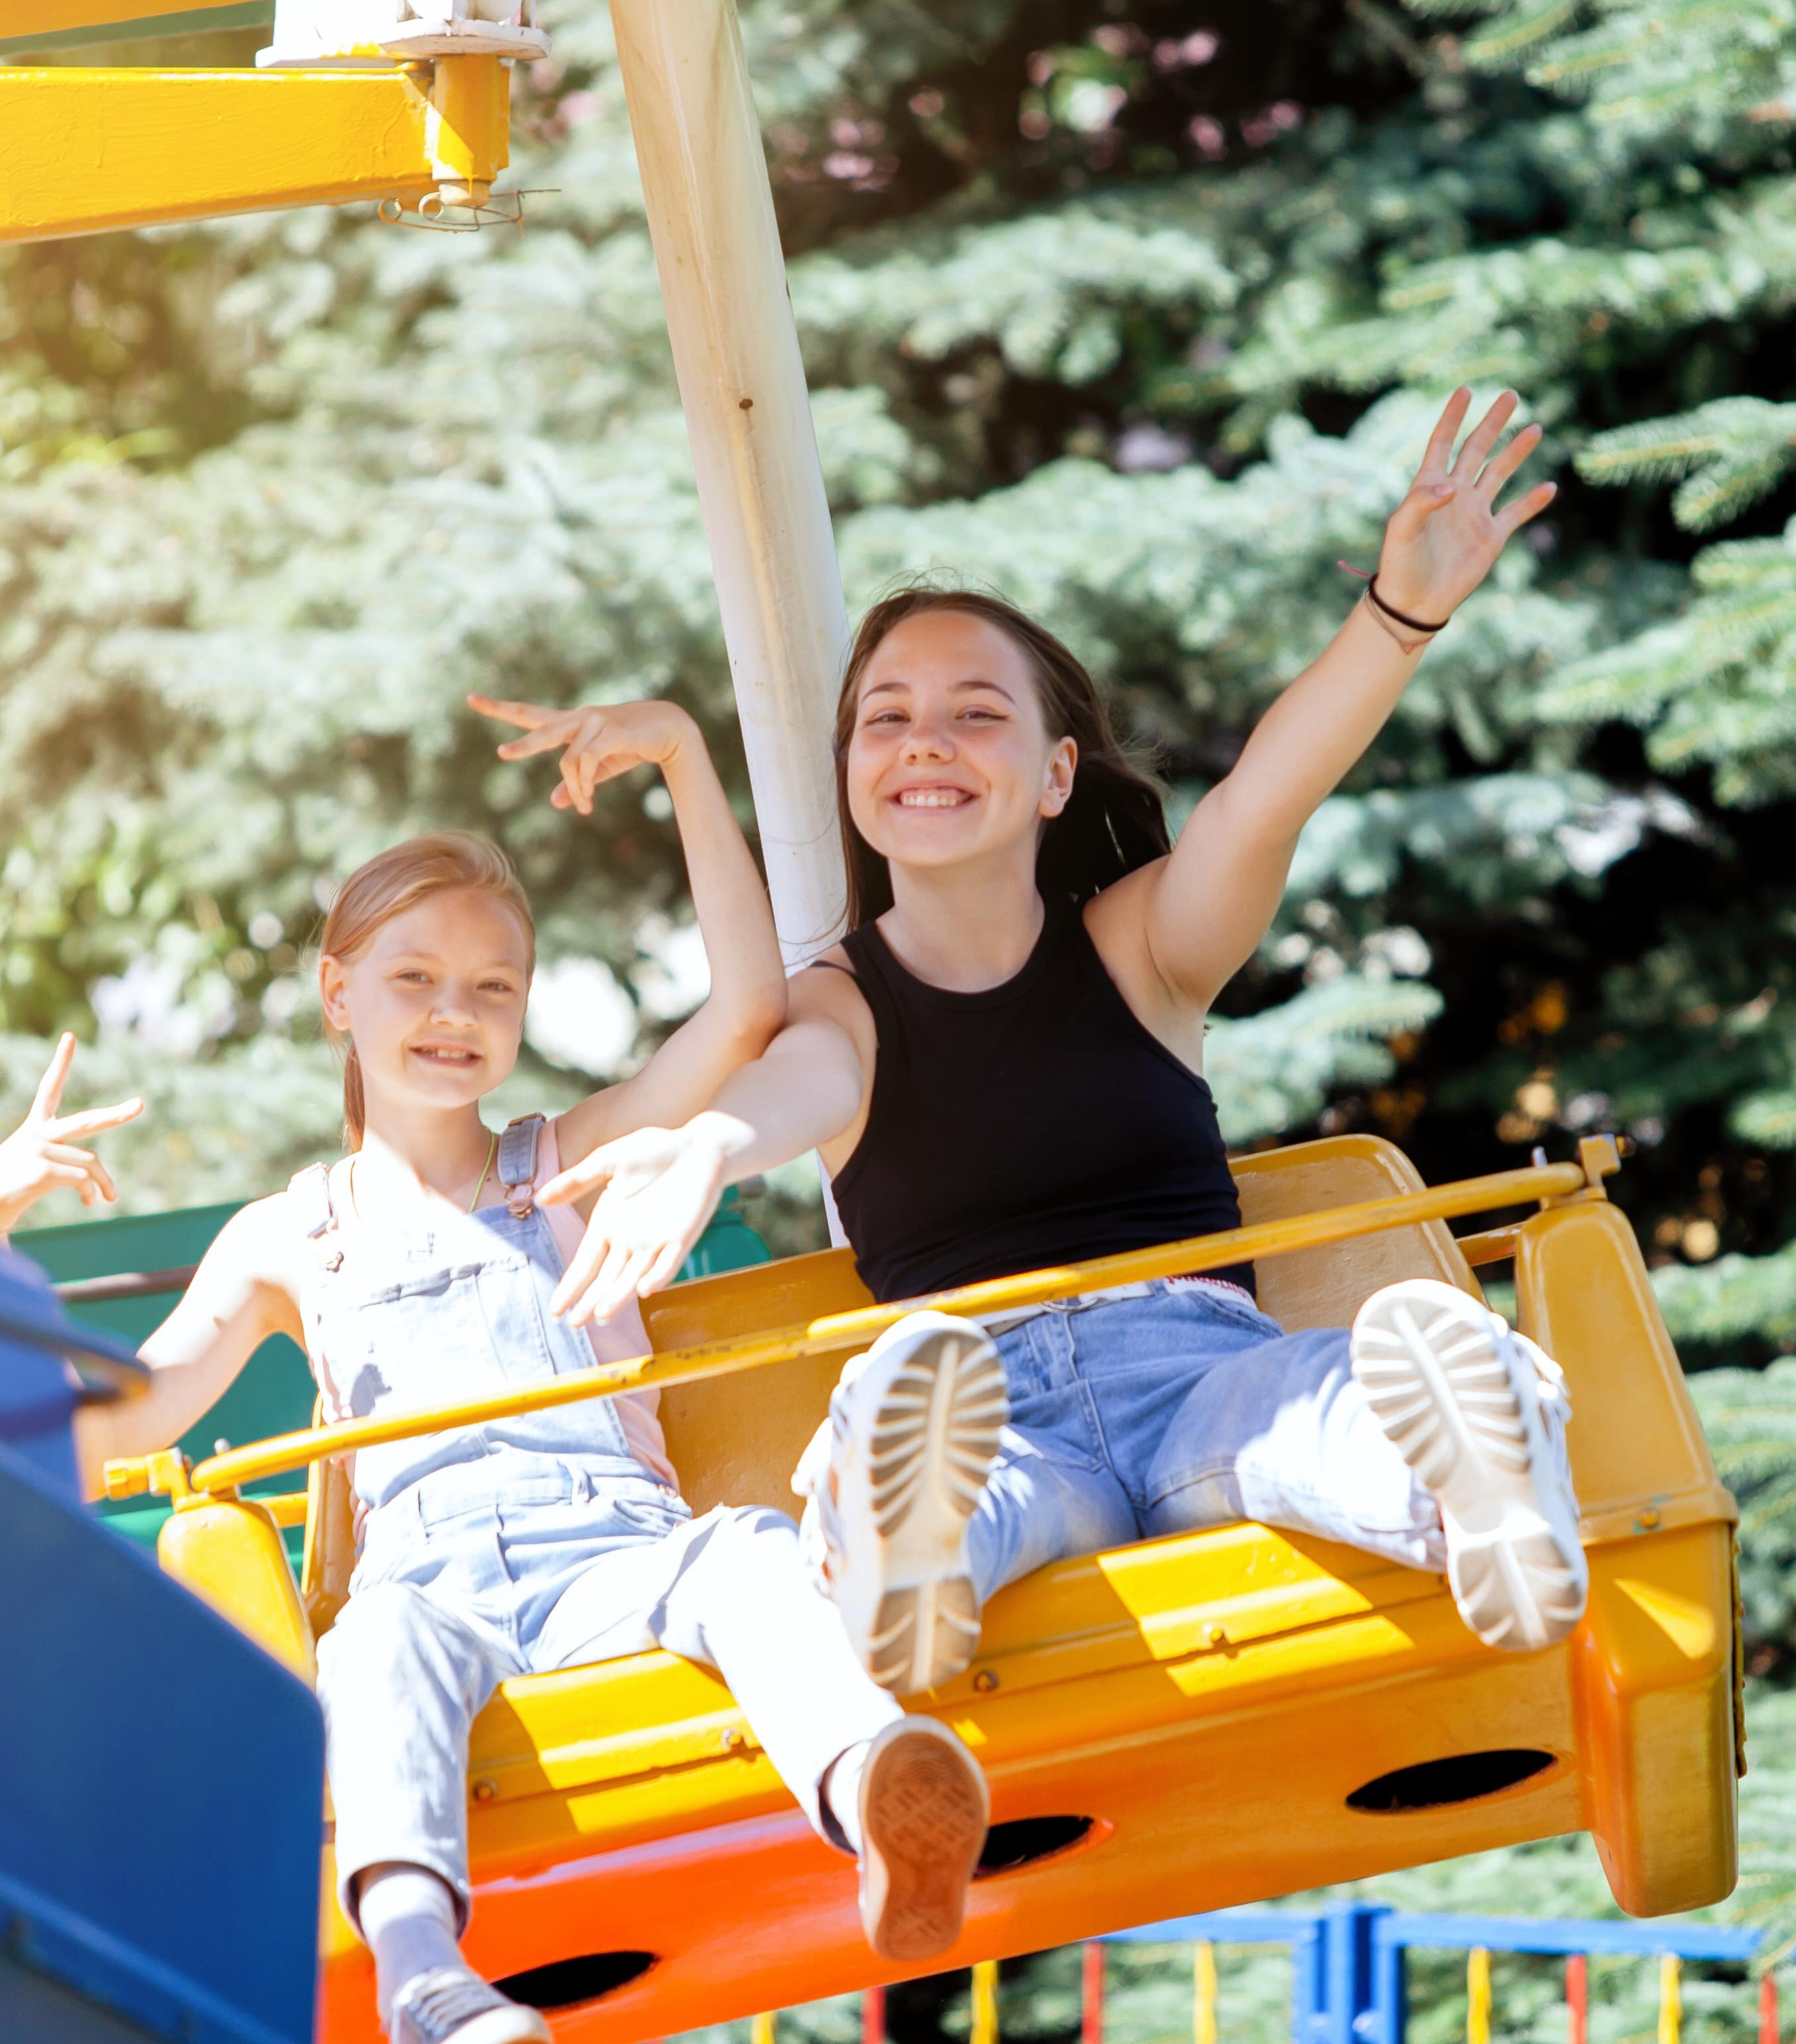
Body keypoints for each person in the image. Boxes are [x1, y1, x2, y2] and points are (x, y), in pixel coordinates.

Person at [0, 697, 1001, 2044]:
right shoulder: (288, 1234)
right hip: (431, 1574)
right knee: (371, 1640)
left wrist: (685, 757)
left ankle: (879, 1792)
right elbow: (117, 1420)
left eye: (493, 989)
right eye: (413, 978)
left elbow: (751, 1004)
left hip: (613, 1548)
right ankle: (423, 1981)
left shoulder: (562, 1160)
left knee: (746, 1555)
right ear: (337, 993)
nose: (455, 1012)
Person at [529, 388, 1588, 1690]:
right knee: (988, 1494)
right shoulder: (841, 1000)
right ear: (857, 785)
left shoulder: (1140, 946)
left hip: (1191, 1359)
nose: (921, 735)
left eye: (975, 710)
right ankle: (895, 1538)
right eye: (885, 716)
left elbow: (1263, 797)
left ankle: (1459, 1469)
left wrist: (1397, 614)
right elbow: (796, 1088)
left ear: (1052, 774)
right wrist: (702, 1142)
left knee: (1293, 1418)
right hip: (979, 1398)